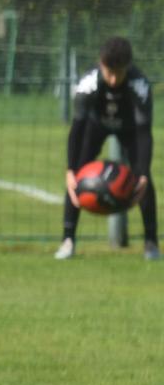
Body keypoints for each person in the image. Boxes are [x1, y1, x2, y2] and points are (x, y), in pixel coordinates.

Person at [57, 36, 157, 260]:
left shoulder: (139, 86)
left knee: (145, 179)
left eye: (118, 73)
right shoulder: (88, 84)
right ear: (101, 64)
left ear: (127, 67)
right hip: (95, 125)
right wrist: (70, 169)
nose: (113, 79)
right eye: (108, 72)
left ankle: (151, 242)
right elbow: (77, 128)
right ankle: (68, 240)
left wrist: (141, 174)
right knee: (76, 175)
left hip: (130, 127)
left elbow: (144, 133)